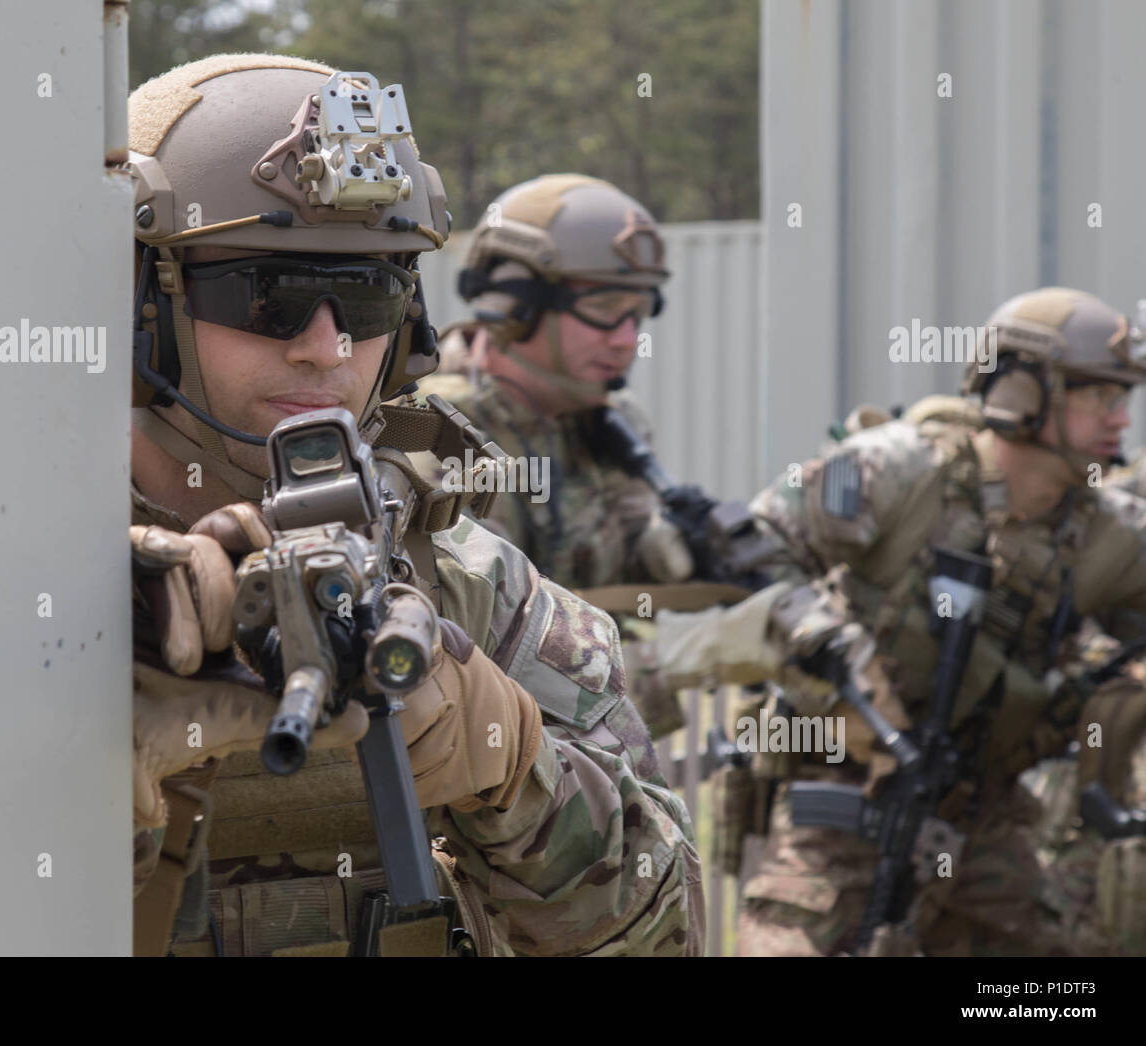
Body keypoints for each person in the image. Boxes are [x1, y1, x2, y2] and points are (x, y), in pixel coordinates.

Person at [122, 54, 703, 957]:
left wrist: (510, 765)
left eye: (366, 292)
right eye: (265, 295)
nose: (326, 347)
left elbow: (667, 933)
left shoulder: (468, 584)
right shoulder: (2, 585)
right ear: (137, 304)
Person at [658, 286, 1146, 955]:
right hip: (840, 798)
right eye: (1101, 396)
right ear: (1024, 392)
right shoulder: (895, 468)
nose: (1122, 419)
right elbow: (747, 552)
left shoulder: (1106, 534)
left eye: (1125, 398)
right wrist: (822, 644)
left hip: (984, 821)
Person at [413, 175, 746, 736]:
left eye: (638, 311)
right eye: (605, 308)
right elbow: (480, 661)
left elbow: (609, 579)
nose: (626, 338)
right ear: (515, 304)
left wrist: (690, 557)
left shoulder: (607, 422)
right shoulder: (437, 435)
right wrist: (694, 654)